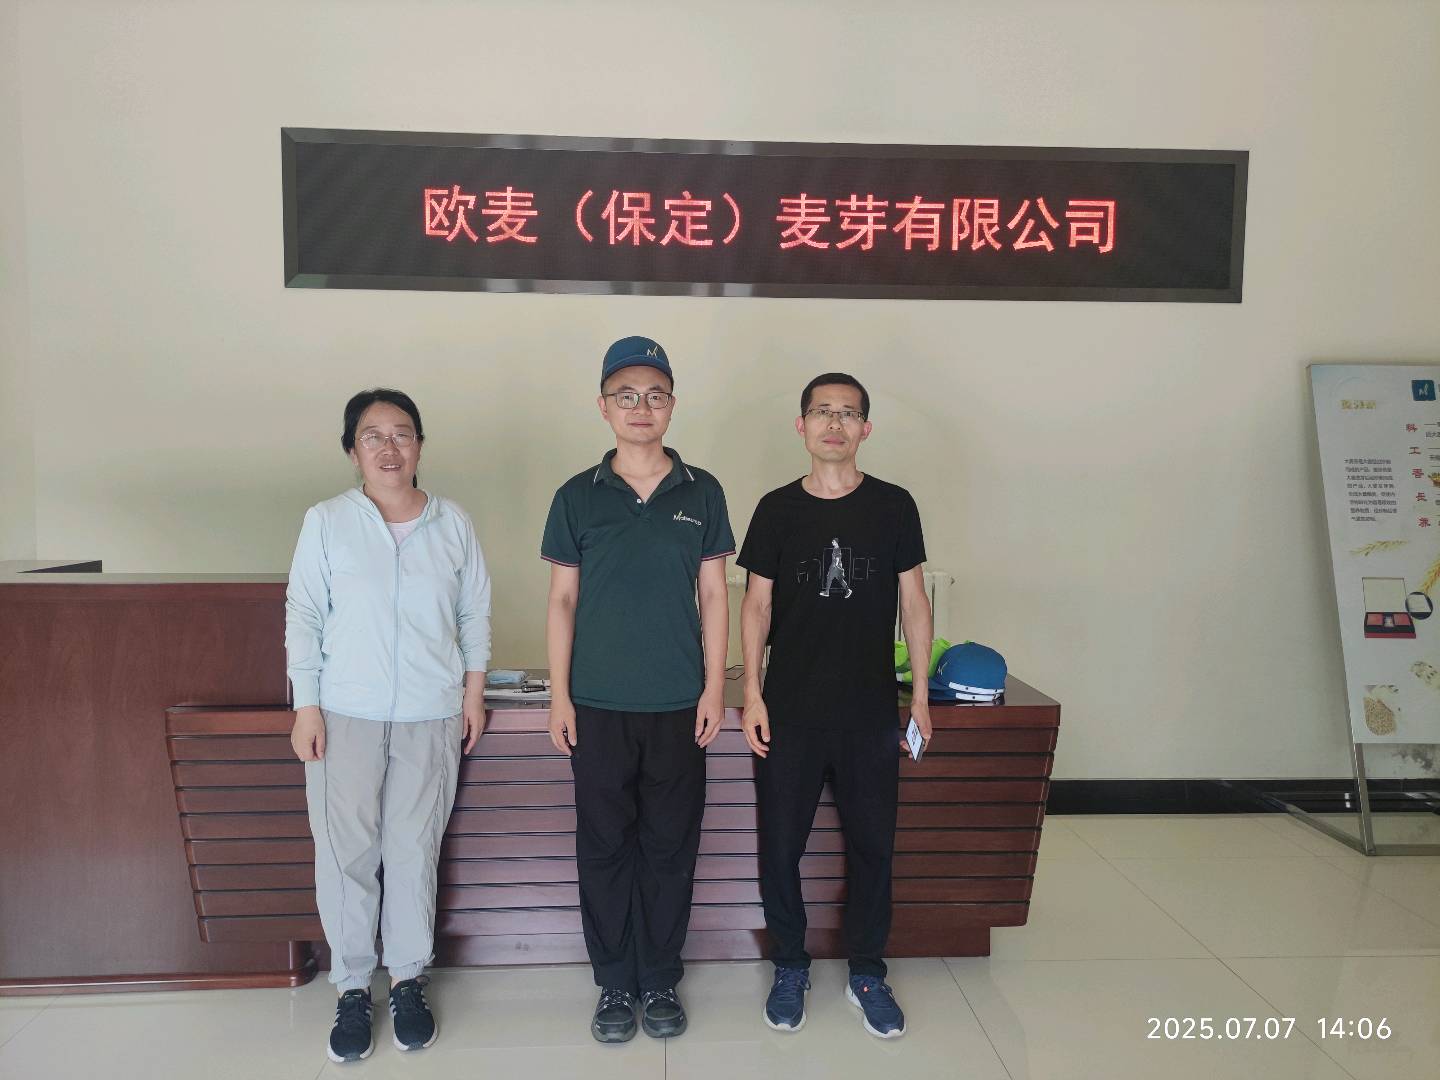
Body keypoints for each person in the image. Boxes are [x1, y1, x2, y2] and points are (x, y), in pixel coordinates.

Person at [285, 388, 491, 1063]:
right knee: (345, 855)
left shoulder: (452, 523)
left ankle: (406, 979)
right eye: (373, 435)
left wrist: (472, 693)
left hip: (431, 713)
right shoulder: (327, 521)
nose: (389, 447)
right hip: (344, 713)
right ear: (353, 450)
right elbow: (304, 613)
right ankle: (352, 986)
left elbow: (473, 614)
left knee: (412, 850)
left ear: (420, 446)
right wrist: (306, 704)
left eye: (402, 433)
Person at [541, 336, 734, 1043]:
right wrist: (559, 697)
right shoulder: (576, 496)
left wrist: (714, 688)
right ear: (604, 407)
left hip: (679, 704)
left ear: (672, 405)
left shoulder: (702, 491)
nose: (641, 407)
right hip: (596, 705)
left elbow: (715, 595)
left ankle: (658, 978)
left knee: (669, 847)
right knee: (603, 848)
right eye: (627, 395)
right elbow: (562, 600)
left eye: (655, 395)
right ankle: (614, 984)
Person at [737, 372, 932, 1039]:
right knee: (780, 847)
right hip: (789, 710)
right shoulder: (776, 509)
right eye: (822, 411)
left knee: (874, 846)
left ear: (865, 429)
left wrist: (921, 698)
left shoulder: (893, 506)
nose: (834, 423)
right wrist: (751, 692)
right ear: (802, 425)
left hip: (869, 710)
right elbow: (756, 604)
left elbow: (914, 603)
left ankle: (868, 971)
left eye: (848, 413)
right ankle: (790, 965)